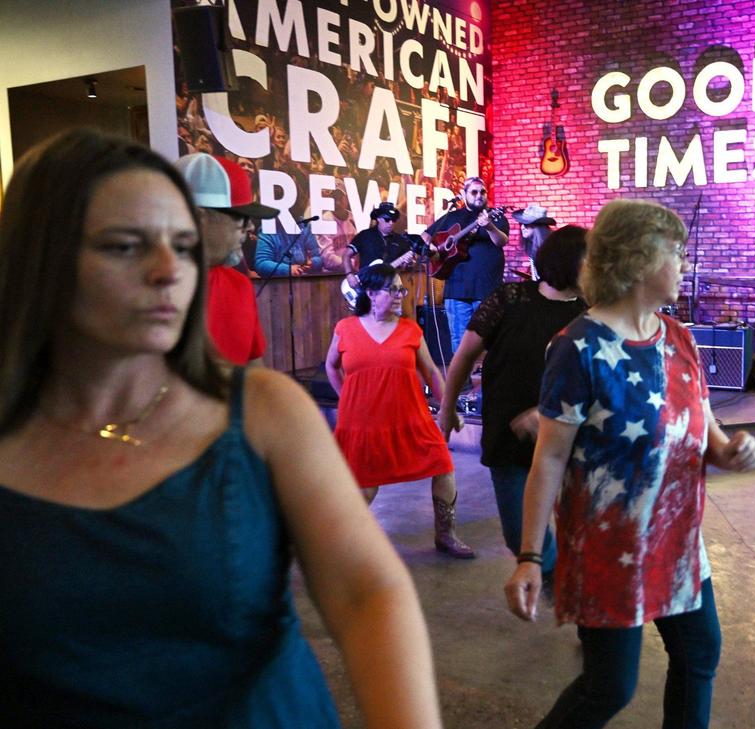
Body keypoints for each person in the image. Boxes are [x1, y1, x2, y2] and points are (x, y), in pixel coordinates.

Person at [0, 129, 442, 727]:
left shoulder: (263, 411)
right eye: (125, 246)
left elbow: (366, 594)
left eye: (182, 246)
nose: (168, 270)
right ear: (40, 258)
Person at [504, 199, 755, 728]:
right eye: (676, 253)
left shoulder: (680, 339)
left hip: (677, 539)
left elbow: (706, 435)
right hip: (608, 547)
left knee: (698, 655)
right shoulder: (578, 347)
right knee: (609, 687)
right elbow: (548, 460)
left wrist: (733, 450)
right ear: (639, 259)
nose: (684, 265)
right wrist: (530, 556)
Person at [438, 225, 588, 579]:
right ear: (571, 262)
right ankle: (555, 583)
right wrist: (447, 408)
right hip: (509, 437)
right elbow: (464, 357)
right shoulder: (509, 298)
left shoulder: (591, 311)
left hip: (571, 439)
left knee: (580, 529)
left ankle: (574, 599)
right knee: (520, 537)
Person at [325, 261, 475, 559]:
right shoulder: (346, 328)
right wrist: (346, 398)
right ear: (370, 293)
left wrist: (449, 408)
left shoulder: (410, 330)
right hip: (362, 424)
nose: (399, 295)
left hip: (409, 419)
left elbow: (432, 372)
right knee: (364, 487)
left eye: (400, 289)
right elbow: (331, 365)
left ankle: (445, 534)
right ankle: (342, 539)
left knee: (443, 466)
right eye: (392, 289)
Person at [174, 152, 277, 366]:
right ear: (198, 218)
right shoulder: (146, 292)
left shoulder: (240, 285)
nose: (249, 227)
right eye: (241, 217)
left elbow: (254, 371)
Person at [422, 176, 509, 356]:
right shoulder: (451, 216)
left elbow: (502, 241)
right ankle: (463, 384)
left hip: (488, 288)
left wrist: (490, 226)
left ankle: (492, 382)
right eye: (474, 192)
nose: (479, 196)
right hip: (456, 289)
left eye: (482, 192)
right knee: (458, 340)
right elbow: (425, 236)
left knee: (492, 338)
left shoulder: (495, 216)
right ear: (463, 194)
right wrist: (434, 251)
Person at [254, 213, 322, 278]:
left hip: (304, 282)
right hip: (278, 284)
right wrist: (288, 270)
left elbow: (319, 258)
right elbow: (261, 263)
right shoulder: (269, 228)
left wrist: (313, 263)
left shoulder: (304, 225)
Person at [317, 187, 358, 273]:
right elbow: (327, 259)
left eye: (340, 198)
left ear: (346, 198)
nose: (337, 203)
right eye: (334, 199)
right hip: (332, 275)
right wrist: (353, 264)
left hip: (354, 273)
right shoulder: (325, 220)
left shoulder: (355, 218)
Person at [512, 203, 556, 280]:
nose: (522, 227)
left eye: (526, 224)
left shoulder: (549, 248)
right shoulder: (530, 244)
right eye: (521, 223)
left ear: (537, 226)